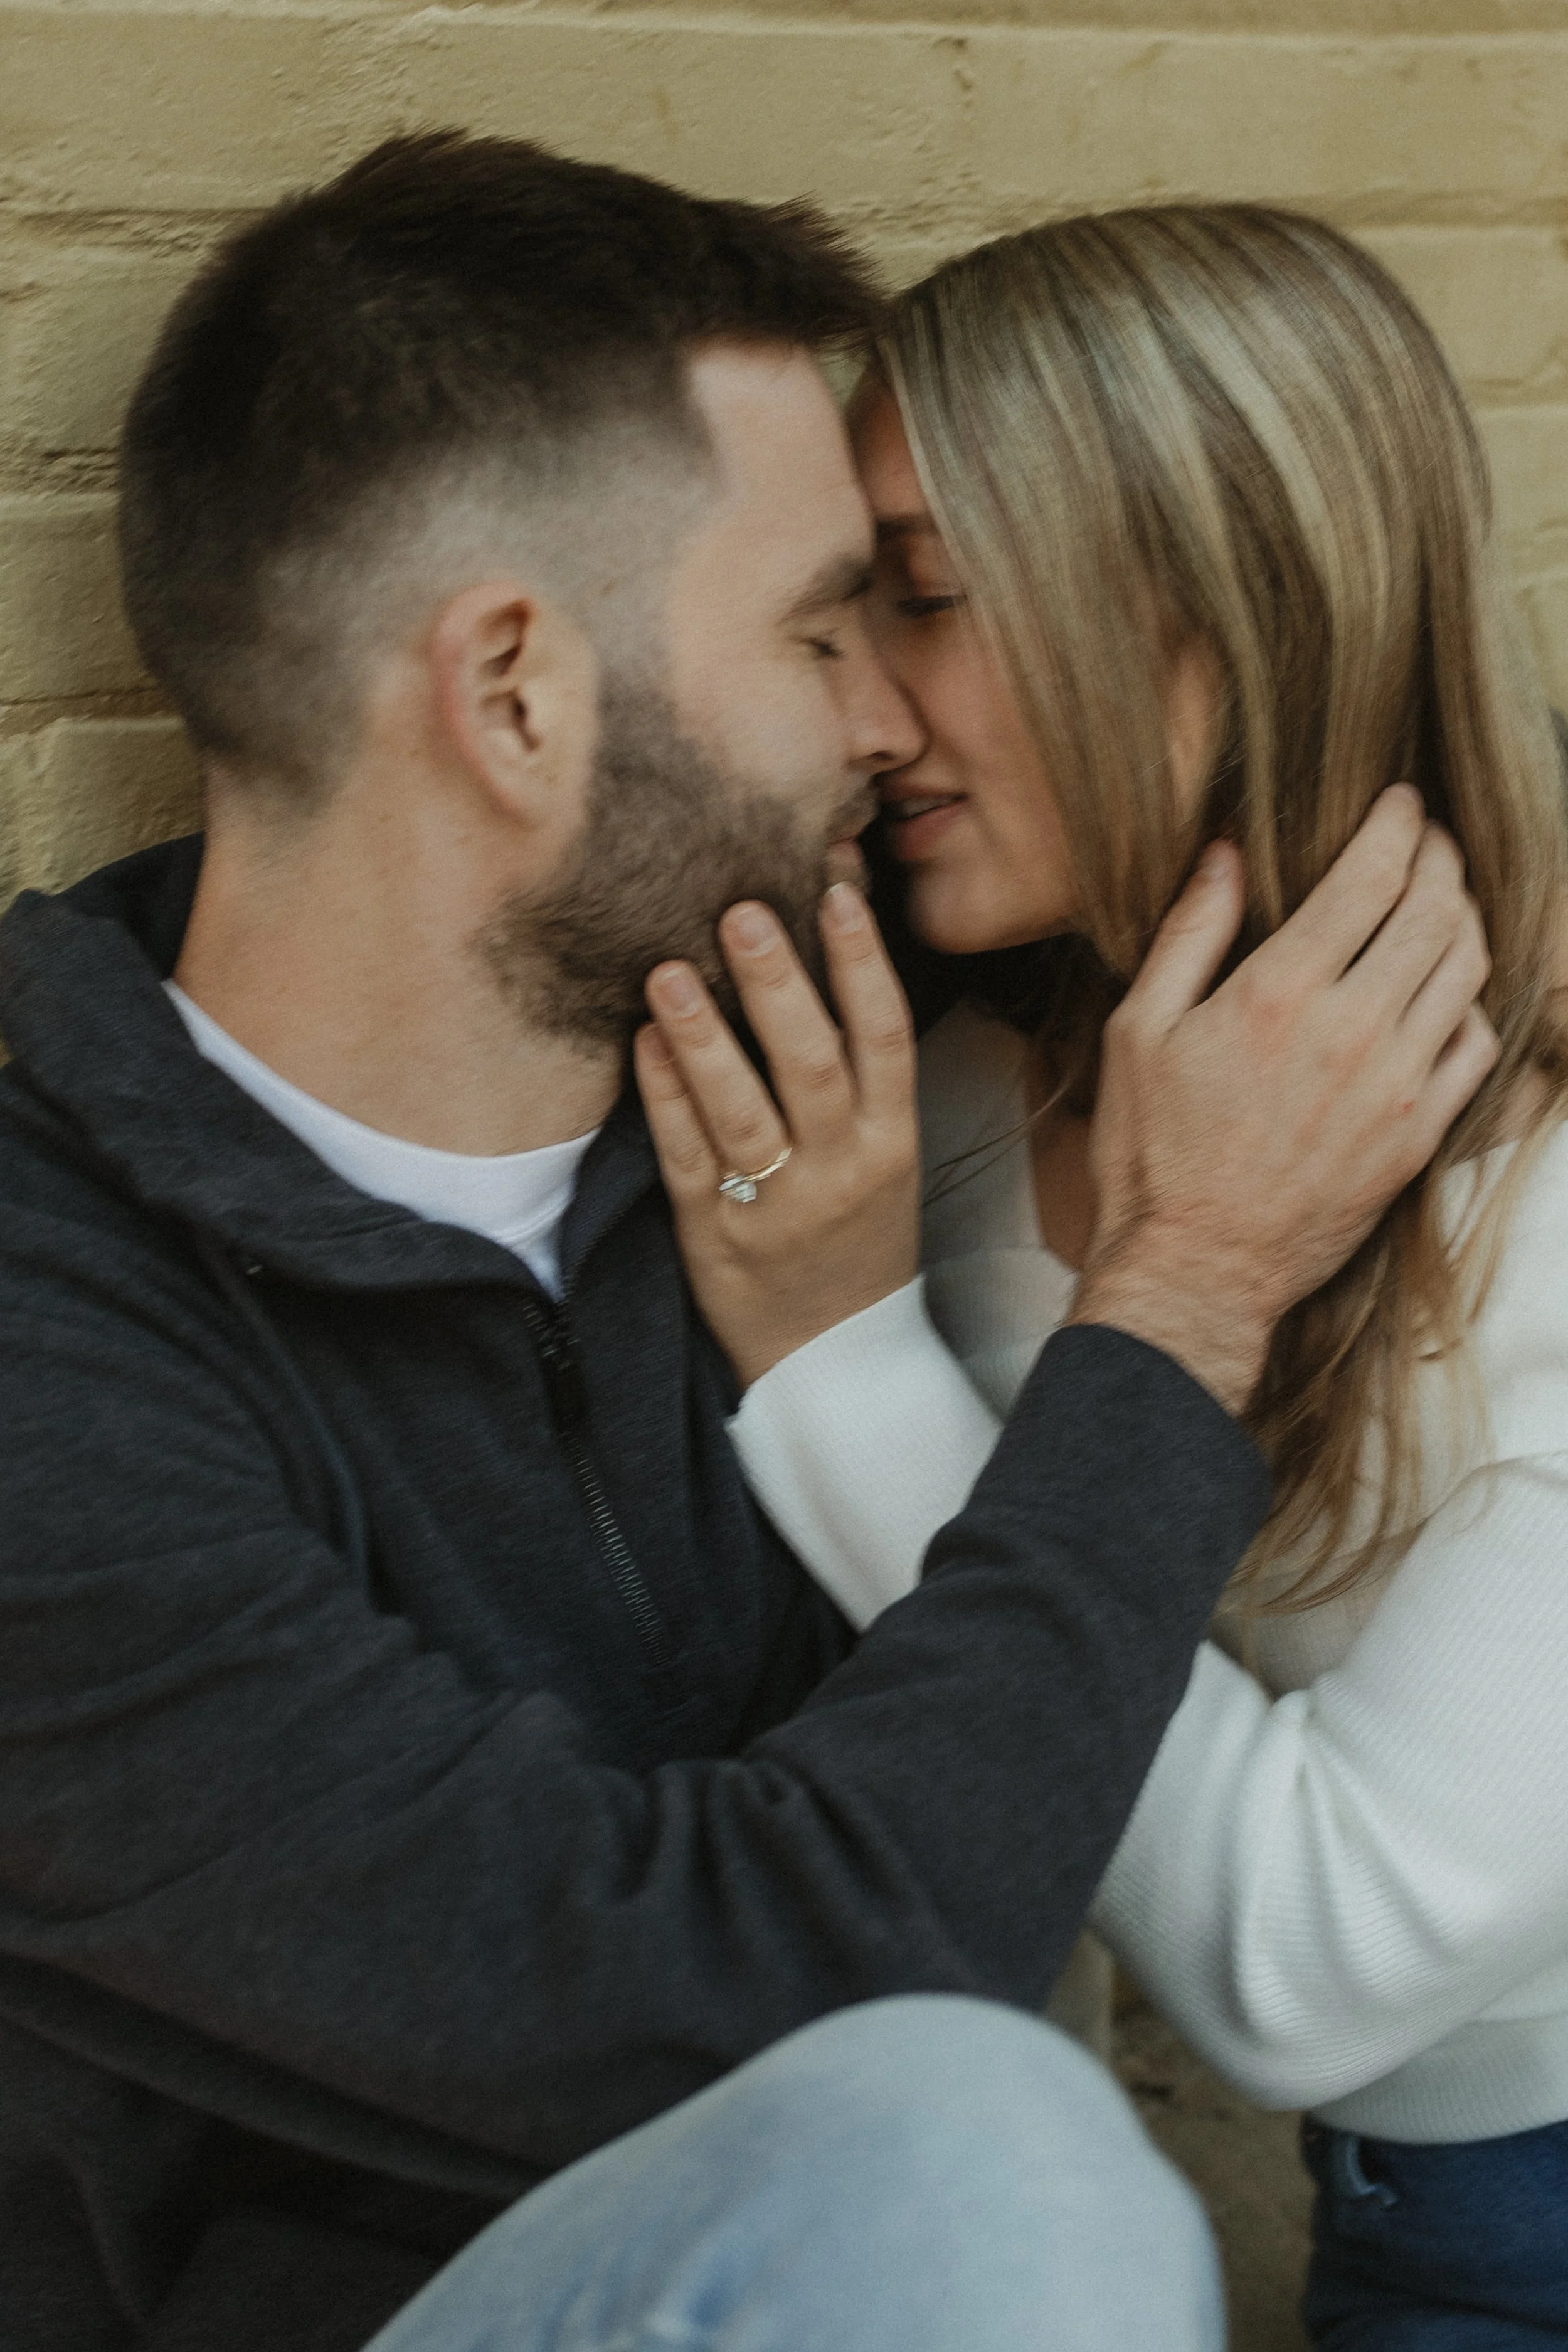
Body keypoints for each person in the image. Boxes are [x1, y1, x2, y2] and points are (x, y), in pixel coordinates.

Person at [0, 140, 1493, 2352]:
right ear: (514, 692)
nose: (893, 723)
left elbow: (1239, 720)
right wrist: (1179, 1294)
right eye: (818, 628)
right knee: (981, 2151)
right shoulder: (51, 1345)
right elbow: (736, 2009)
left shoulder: (802, 1047)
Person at [640, 207, 1568, 2348]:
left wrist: (848, 1371)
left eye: (932, 602)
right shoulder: (944, 1099)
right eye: (838, 611)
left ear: (1227, 617)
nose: (861, 707)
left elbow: (1300, 1967)